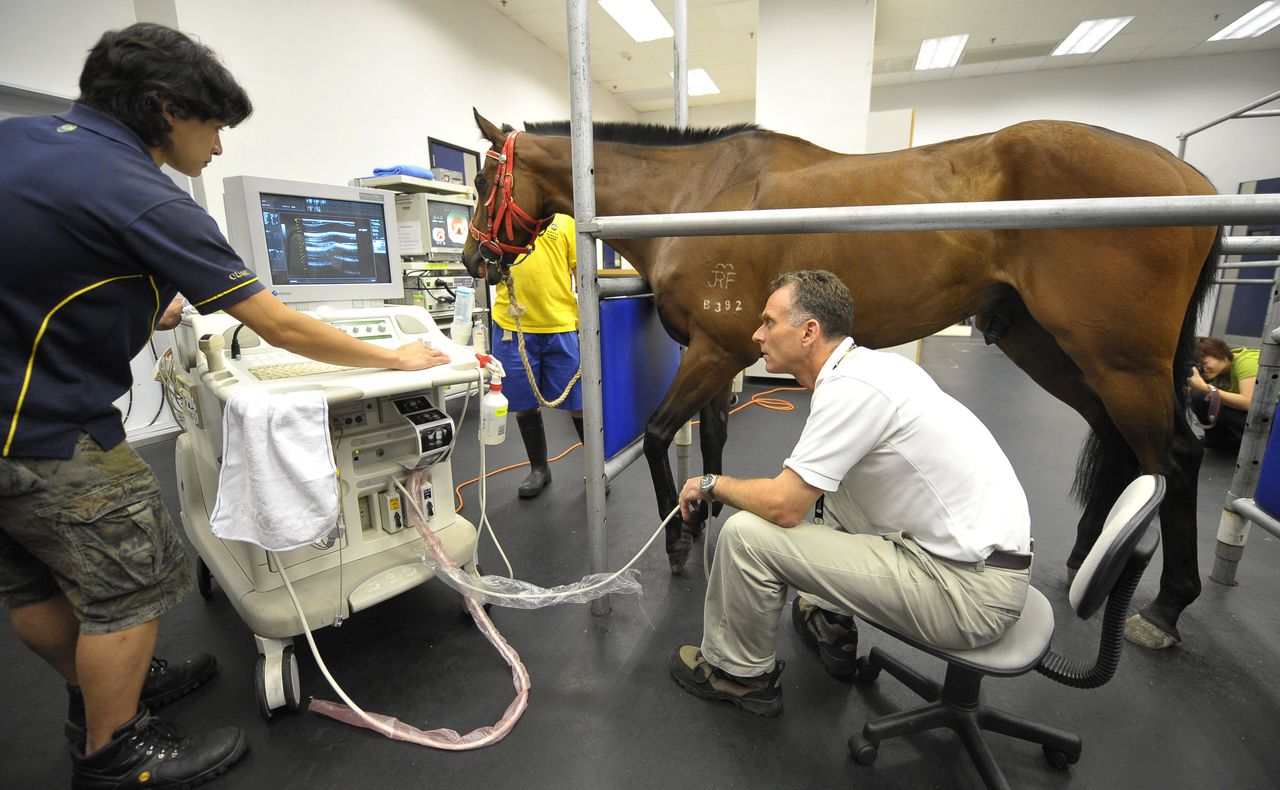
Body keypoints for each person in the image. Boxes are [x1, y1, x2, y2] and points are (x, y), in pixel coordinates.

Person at [0, 23, 447, 789]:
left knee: (32, 580)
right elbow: (273, 322)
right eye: (214, 128)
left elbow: (43, 269)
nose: (218, 149)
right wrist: (394, 356)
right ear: (168, 109)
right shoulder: (142, 193)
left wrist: (139, 306)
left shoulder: (24, 140)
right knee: (127, 589)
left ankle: (100, 690)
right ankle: (114, 753)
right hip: (48, 433)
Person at [668, 271, 1032, 716]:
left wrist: (709, 484)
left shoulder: (851, 390)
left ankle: (739, 675)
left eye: (768, 322)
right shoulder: (872, 368)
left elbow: (784, 507)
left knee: (747, 535)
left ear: (808, 332)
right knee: (831, 490)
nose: (756, 333)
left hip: (966, 594)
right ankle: (826, 616)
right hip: (986, 562)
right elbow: (808, 487)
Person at [489, 214, 585, 497]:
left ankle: (596, 468)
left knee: (580, 402)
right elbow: (484, 265)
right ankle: (539, 468)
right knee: (524, 402)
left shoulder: (567, 220)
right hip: (512, 326)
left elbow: (582, 270)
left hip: (562, 325)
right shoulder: (501, 218)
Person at [1188, 336, 1258, 451]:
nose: (1203, 369)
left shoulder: (1247, 362)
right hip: (1253, 414)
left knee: (1202, 393)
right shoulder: (1218, 370)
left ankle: (1253, 444)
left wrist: (1205, 388)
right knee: (1198, 395)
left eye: (1205, 363)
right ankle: (1221, 440)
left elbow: (1249, 403)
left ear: (1224, 356)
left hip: (1273, 417)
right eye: (1199, 365)